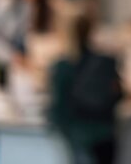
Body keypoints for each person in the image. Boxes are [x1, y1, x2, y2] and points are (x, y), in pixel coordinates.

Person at [48, 12, 121, 164]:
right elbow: (118, 95)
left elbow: (58, 109)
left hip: (81, 138)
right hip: (107, 136)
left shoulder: (63, 66)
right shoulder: (105, 61)